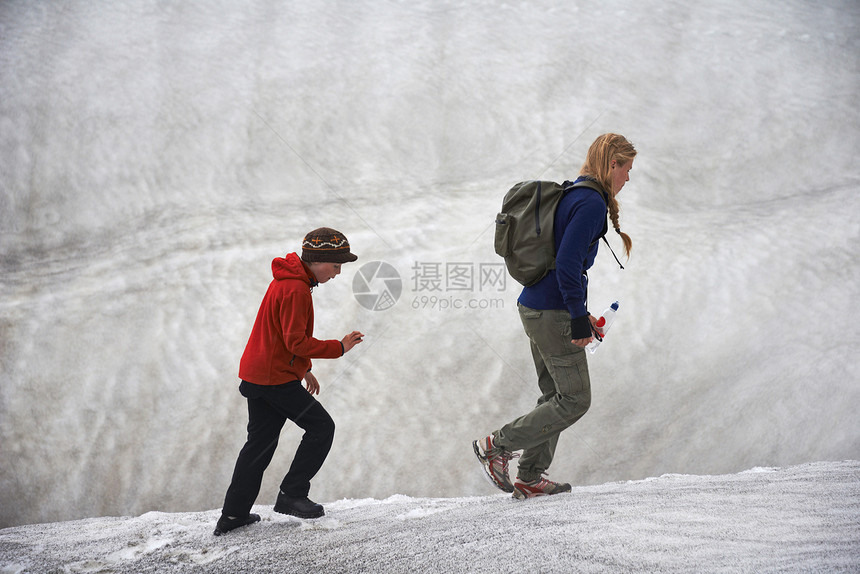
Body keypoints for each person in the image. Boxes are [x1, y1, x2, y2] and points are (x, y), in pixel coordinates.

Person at [473, 133, 636, 499]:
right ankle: (495, 445)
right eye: (627, 170)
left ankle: (529, 476)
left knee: (553, 395)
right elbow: (566, 264)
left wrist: (582, 315)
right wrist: (576, 317)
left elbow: (561, 265)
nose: (628, 178)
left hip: (535, 306)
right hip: (552, 312)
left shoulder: (573, 195)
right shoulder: (591, 204)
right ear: (613, 165)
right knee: (575, 399)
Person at [214, 227, 364, 535]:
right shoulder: (295, 289)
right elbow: (295, 341)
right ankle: (292, 494)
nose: (337, 273)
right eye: (335, 265)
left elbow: (279, 337)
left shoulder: (286, 281)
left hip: (259, 374)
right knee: (322, 427)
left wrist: (303, 368)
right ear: (317, 260)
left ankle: (233, 516)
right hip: (274, 380)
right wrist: (339, 347)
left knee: (258, 447)